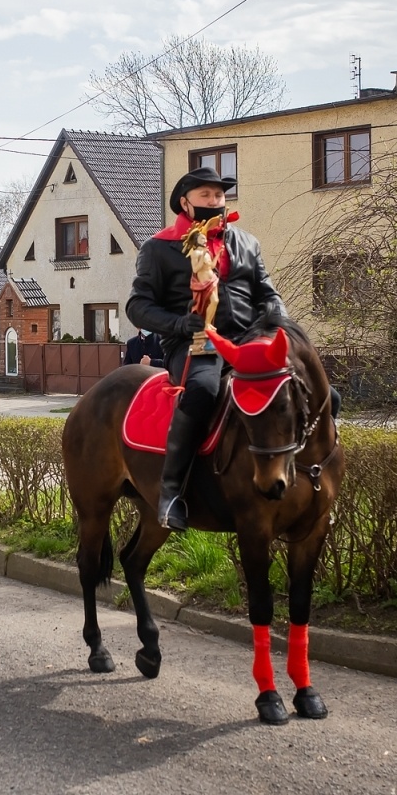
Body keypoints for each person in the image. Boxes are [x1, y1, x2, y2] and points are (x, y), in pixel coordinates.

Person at [127, 166, 287, 530]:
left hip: (252, 340)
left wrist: (280, 320)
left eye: (219, 195)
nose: (214, 201)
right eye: (205, 196)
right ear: (185, 202)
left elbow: (267, 293)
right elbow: (137, 306)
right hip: (197, 343)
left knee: (313, 387)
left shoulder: (247, 243)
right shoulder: (159, 247)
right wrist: (180, 324)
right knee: (203, 389)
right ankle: (170, 493)